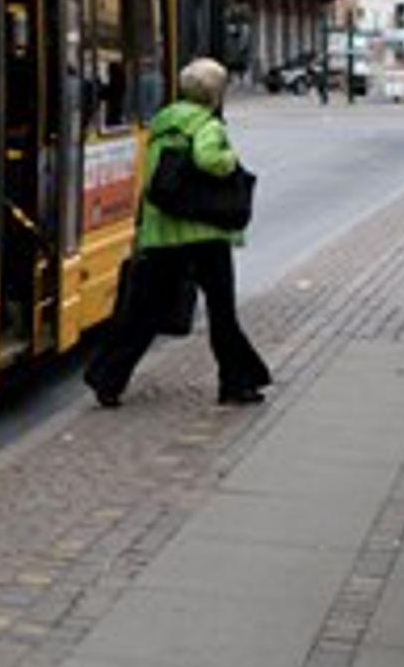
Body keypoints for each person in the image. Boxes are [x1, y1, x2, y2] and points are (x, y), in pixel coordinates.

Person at [86, 58, 273, 407]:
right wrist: (230, 160)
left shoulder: (162, 122)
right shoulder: (207, 124)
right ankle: (235, 383)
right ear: (215, 93)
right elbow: (209, 160)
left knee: (144, 313)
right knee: (222, 313)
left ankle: (107, 378)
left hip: (163, 234)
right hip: (205, 233)